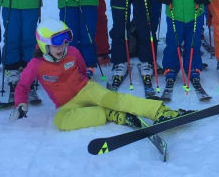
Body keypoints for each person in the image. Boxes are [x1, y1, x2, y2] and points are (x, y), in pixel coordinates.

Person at [11, 19, 188, 130]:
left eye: (65, 42)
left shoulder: (73, 52)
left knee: (113, 99)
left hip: (85, 89)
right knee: (61, 121)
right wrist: (21, 105)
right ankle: (112, 115)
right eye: (57, 43)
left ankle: (159, 111)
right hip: (66, 103)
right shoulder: (36, 65)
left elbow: (81, 69)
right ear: (43, 45)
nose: (62, 47)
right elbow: (23, 86)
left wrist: (85, 84)